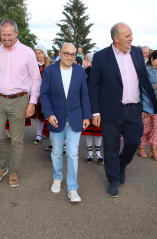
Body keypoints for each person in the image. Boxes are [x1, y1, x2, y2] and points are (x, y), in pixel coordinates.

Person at [88, 22, 157, 197]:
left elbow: (143, 79)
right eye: (127, 36)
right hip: (111, 110)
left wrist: (148, 101)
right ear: (116, 38)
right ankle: (113, 179)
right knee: (111, 146)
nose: (131, 38)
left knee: (133, 142)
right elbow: (94, 86)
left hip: (134, 109)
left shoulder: (136, 53)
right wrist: (95, 112)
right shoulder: (102, 56)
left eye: (131, 34)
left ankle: (122, 164)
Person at [0, 19, 41, 188]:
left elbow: (36, 79)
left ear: (16, 33)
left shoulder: (27, 52)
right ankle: (1, 167)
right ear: (0, 34)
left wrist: (32, 103)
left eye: (9, 34)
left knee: (16, 140)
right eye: (3, 34)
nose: (6, 37)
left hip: (19, 101)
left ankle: (14, 171)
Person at [39, 43, 91, 202]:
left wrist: (87, 116)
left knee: (73, 153)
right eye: (67, 54)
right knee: (56, 152)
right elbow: (44, 95)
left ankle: (72, 188)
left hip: (75, 118)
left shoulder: (80, 71)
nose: (70, 57)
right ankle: (57, 177)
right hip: (56, 118)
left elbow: (84, 95)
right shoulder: (49, 71)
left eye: (73, 54)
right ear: (60, 54)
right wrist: (49, 114)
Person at [138, 50, 157, 161]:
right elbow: (141, 85)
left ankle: (153, 148)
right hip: (147, 100)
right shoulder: (145, 70)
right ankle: (141, 146)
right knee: (145, 124)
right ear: (152, 59)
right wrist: (153, 86)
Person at [82, 52, 103, 164]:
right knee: (89, 130)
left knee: (98, 130)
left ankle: (98, 152)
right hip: (88, 103)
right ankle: (90, 152)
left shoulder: (103, 71)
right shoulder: (86, 71)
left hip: (100, 104)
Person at [33, 45, 51, 145]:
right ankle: (38, 135)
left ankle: (50, 134)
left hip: (47, 93)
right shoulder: (33, 65)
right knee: (37, 114)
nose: (37, 55)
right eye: (36, 53)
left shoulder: (50, 65)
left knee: (48, 113)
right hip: (36, 93)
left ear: (44, 53)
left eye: (39, 53)